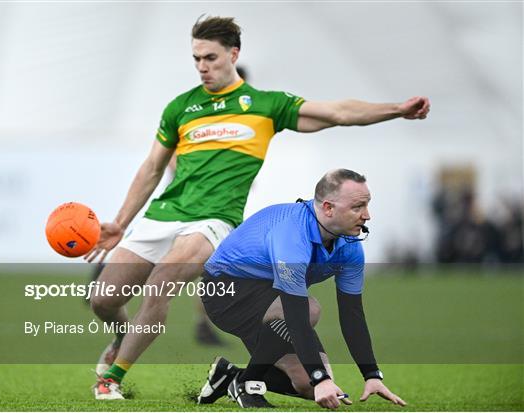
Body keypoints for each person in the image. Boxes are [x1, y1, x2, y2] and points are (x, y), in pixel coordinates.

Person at [87, 15, 430, 400]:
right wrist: (120, 221)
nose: (202, 66)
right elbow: (152, 167)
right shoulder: (181, 108)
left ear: (234, 54)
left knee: (161, 282)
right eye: (197, 58)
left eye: (211, 57)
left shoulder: (265, 106)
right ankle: (122, 334)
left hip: (214, 220)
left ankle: (111, 379)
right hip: (162, 215)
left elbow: (337, 113)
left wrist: (395, 110)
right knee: (103, 298)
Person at [198, 169, 406, 409]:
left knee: (309, 385)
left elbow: (352, 315)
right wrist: (321, 377)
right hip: (226, 290)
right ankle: (249, 383)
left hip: (272, 299)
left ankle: (229, 377)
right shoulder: (292, 234)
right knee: (310, 310)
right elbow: (296, 313)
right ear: (328, 208)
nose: (367, 215)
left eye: (367, 205)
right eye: (357, 207)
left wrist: (371, 375)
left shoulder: (350, 246)